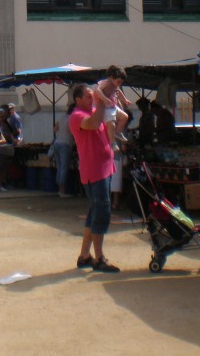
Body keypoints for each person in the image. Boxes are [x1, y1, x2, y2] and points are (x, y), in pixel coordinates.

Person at [70, 83, 118, 273]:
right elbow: (94, 123)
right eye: (89, 96)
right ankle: (99, 257)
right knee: (101, 213)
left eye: (93, 96)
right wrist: (101, 101)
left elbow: (115, 120)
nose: (93, 99)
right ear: (78, 100)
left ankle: (85, 256)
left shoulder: (94, 111)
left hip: (104, 168)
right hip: (94, 171)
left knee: (94, 213)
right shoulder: (77, 116)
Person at [94, 65, 130, 146]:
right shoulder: (106, 83)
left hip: (113, 107)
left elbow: (119, 92)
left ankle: (117, 132)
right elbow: (98, 90)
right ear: (111, 78)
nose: (119, 84)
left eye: (120, 82)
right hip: (106, 108)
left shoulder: (115, 86)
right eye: (118, 81)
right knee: (111, 123)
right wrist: (104, 98)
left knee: (124, 117)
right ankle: (112, 142)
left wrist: (125, 100)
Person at [52, 102, 76, 197]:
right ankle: (62, 191)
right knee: (64, 167)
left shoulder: (62, 117)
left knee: (59, 167)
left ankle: (59, 189)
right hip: (65, 144)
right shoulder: (72, 119)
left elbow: (54, 130)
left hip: (57, 143)